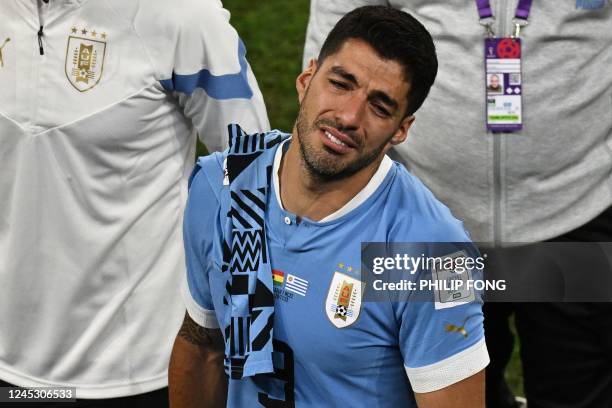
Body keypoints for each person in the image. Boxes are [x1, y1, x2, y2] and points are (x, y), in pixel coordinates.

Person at [170, 6, 489, 408]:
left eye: (379, 106)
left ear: (402, 129)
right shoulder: (220, 186)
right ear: (307, 79)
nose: (349, 116)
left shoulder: (439, 256)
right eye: (341, 84)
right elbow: (202, 345)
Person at [303, 1, 612, 408]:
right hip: (427, 224)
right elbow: (341, 26)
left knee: (577, 391)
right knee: (440, 387)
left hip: (579, 207)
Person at [0, 0, 268, 406]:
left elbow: (253, 178)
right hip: (10, 370)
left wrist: (248, 353)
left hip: (143, 371)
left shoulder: (183, 16)